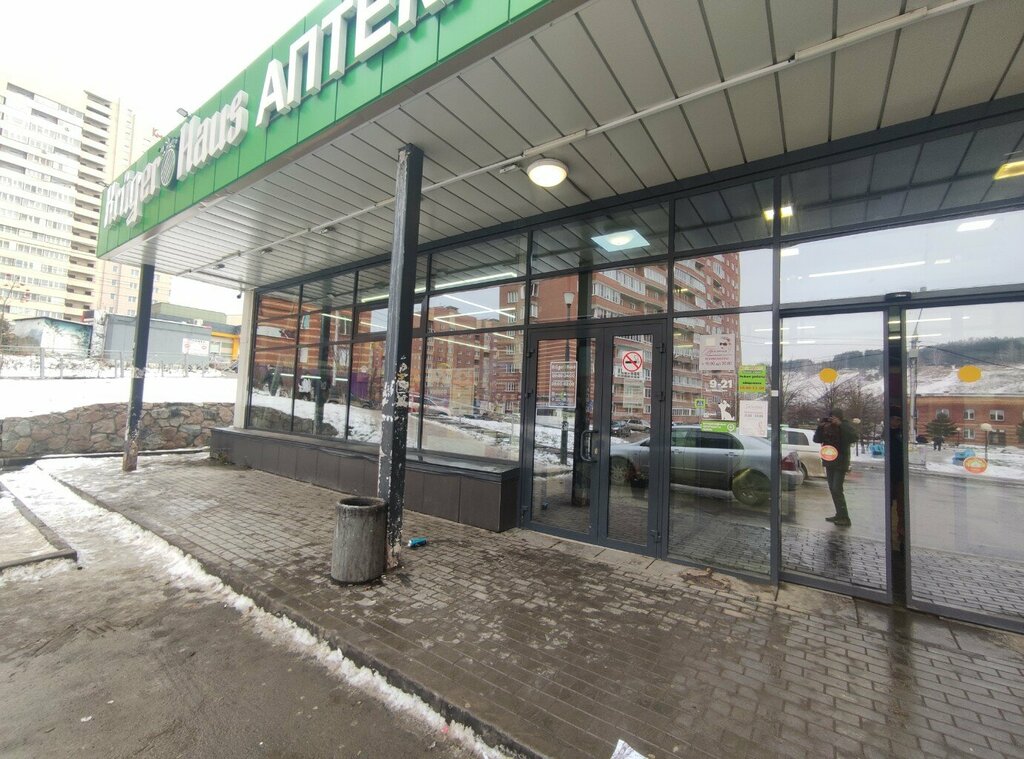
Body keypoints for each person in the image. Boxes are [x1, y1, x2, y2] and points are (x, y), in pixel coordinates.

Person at [813, 408, 858, 527]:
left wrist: (840, 425)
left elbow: (854, 437)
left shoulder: (845, 425)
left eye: (834, 417)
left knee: (837, 489)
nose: (832, 419)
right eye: (830, 417)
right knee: (833, 489)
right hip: (829, 461)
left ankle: (845, 517)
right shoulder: (826, 426)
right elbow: (816, 439)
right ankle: (839, 514)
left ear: (839, 417)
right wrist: (820, 427)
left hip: (841, 462)